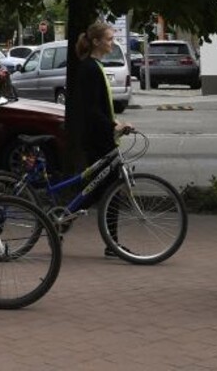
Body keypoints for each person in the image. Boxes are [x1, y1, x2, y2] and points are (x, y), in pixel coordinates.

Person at [72, 21, 134, 257]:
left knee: (101, 192)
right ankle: (112, 244)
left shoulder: (94, 66)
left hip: (103, 137)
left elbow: (101, 106)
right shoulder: (89, 68)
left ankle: (62, 221)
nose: (112, 43)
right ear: (96, 41)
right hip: (98, 139)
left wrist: (115, 125)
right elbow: (92, 110)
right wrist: (114, 125)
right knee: (105, 192)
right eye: (108, 39)